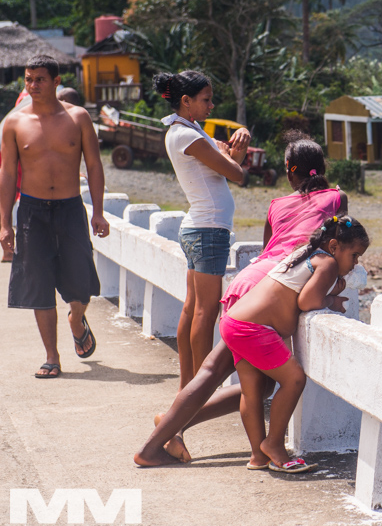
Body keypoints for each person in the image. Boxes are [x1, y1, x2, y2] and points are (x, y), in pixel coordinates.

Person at [134, 135, 348, 466]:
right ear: (323, 169)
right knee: (232, 377)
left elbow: (268, 249)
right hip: (270, 289)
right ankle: (157, 443)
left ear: (289, 172)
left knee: (245, 382)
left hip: (249, 281)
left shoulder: (276, 204)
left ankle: (171, 428)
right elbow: (341, 244)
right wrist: (337, 285)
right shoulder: (337, 197)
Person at [222, 215, 369, 472]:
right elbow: (307, 301)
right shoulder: (328, 263)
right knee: (294, 380)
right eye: (354, 255)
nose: (356, 263)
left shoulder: (305, 254)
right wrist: (332, 301)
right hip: (254, 328)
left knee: (251, 391)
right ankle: (274, 445)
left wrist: (330, 290)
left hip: (234, 320)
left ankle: (258, 456)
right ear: (334, 246)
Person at [0, 55, 110, 379]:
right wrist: (4, 224)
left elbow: (94, 165)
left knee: (81, 280)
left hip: (70, 208)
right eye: (28, 79)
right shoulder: (14, 123)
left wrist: (99, 212)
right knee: (38, 283)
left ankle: (77, 319)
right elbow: (7, 174)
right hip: (32, 211)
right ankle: (52, 356)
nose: (33, 85)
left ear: (56, 81)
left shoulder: (78, 118)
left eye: (40, 79)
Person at [155, 71, 250, 390]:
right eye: (206, 99)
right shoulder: (189, 136)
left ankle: (187, 387)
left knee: (192, 308)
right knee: (205, 313)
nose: (211, 105)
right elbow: (236, 174)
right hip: (208, 230)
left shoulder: (185, 130)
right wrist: (232, 153)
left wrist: (236, 146)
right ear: (186, 100)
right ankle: (199, 391)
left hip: (200, 227)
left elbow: (229, 163)